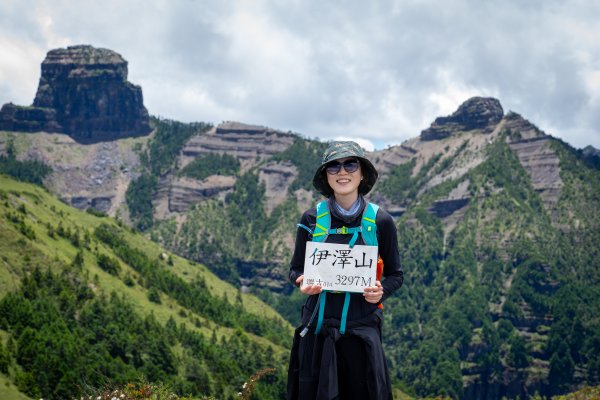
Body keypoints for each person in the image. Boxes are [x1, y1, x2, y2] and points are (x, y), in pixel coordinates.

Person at [287, 141, 404, 400]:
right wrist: (301, 282)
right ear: (326, 176)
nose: (342, 172)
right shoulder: (311, 219)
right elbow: (295, 269)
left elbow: (396, 275)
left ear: (362, 173)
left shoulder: (381, 221)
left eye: (350, 164)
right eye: (333, 166)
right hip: (318, 330)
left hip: (361, 333)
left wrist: (381, 292)